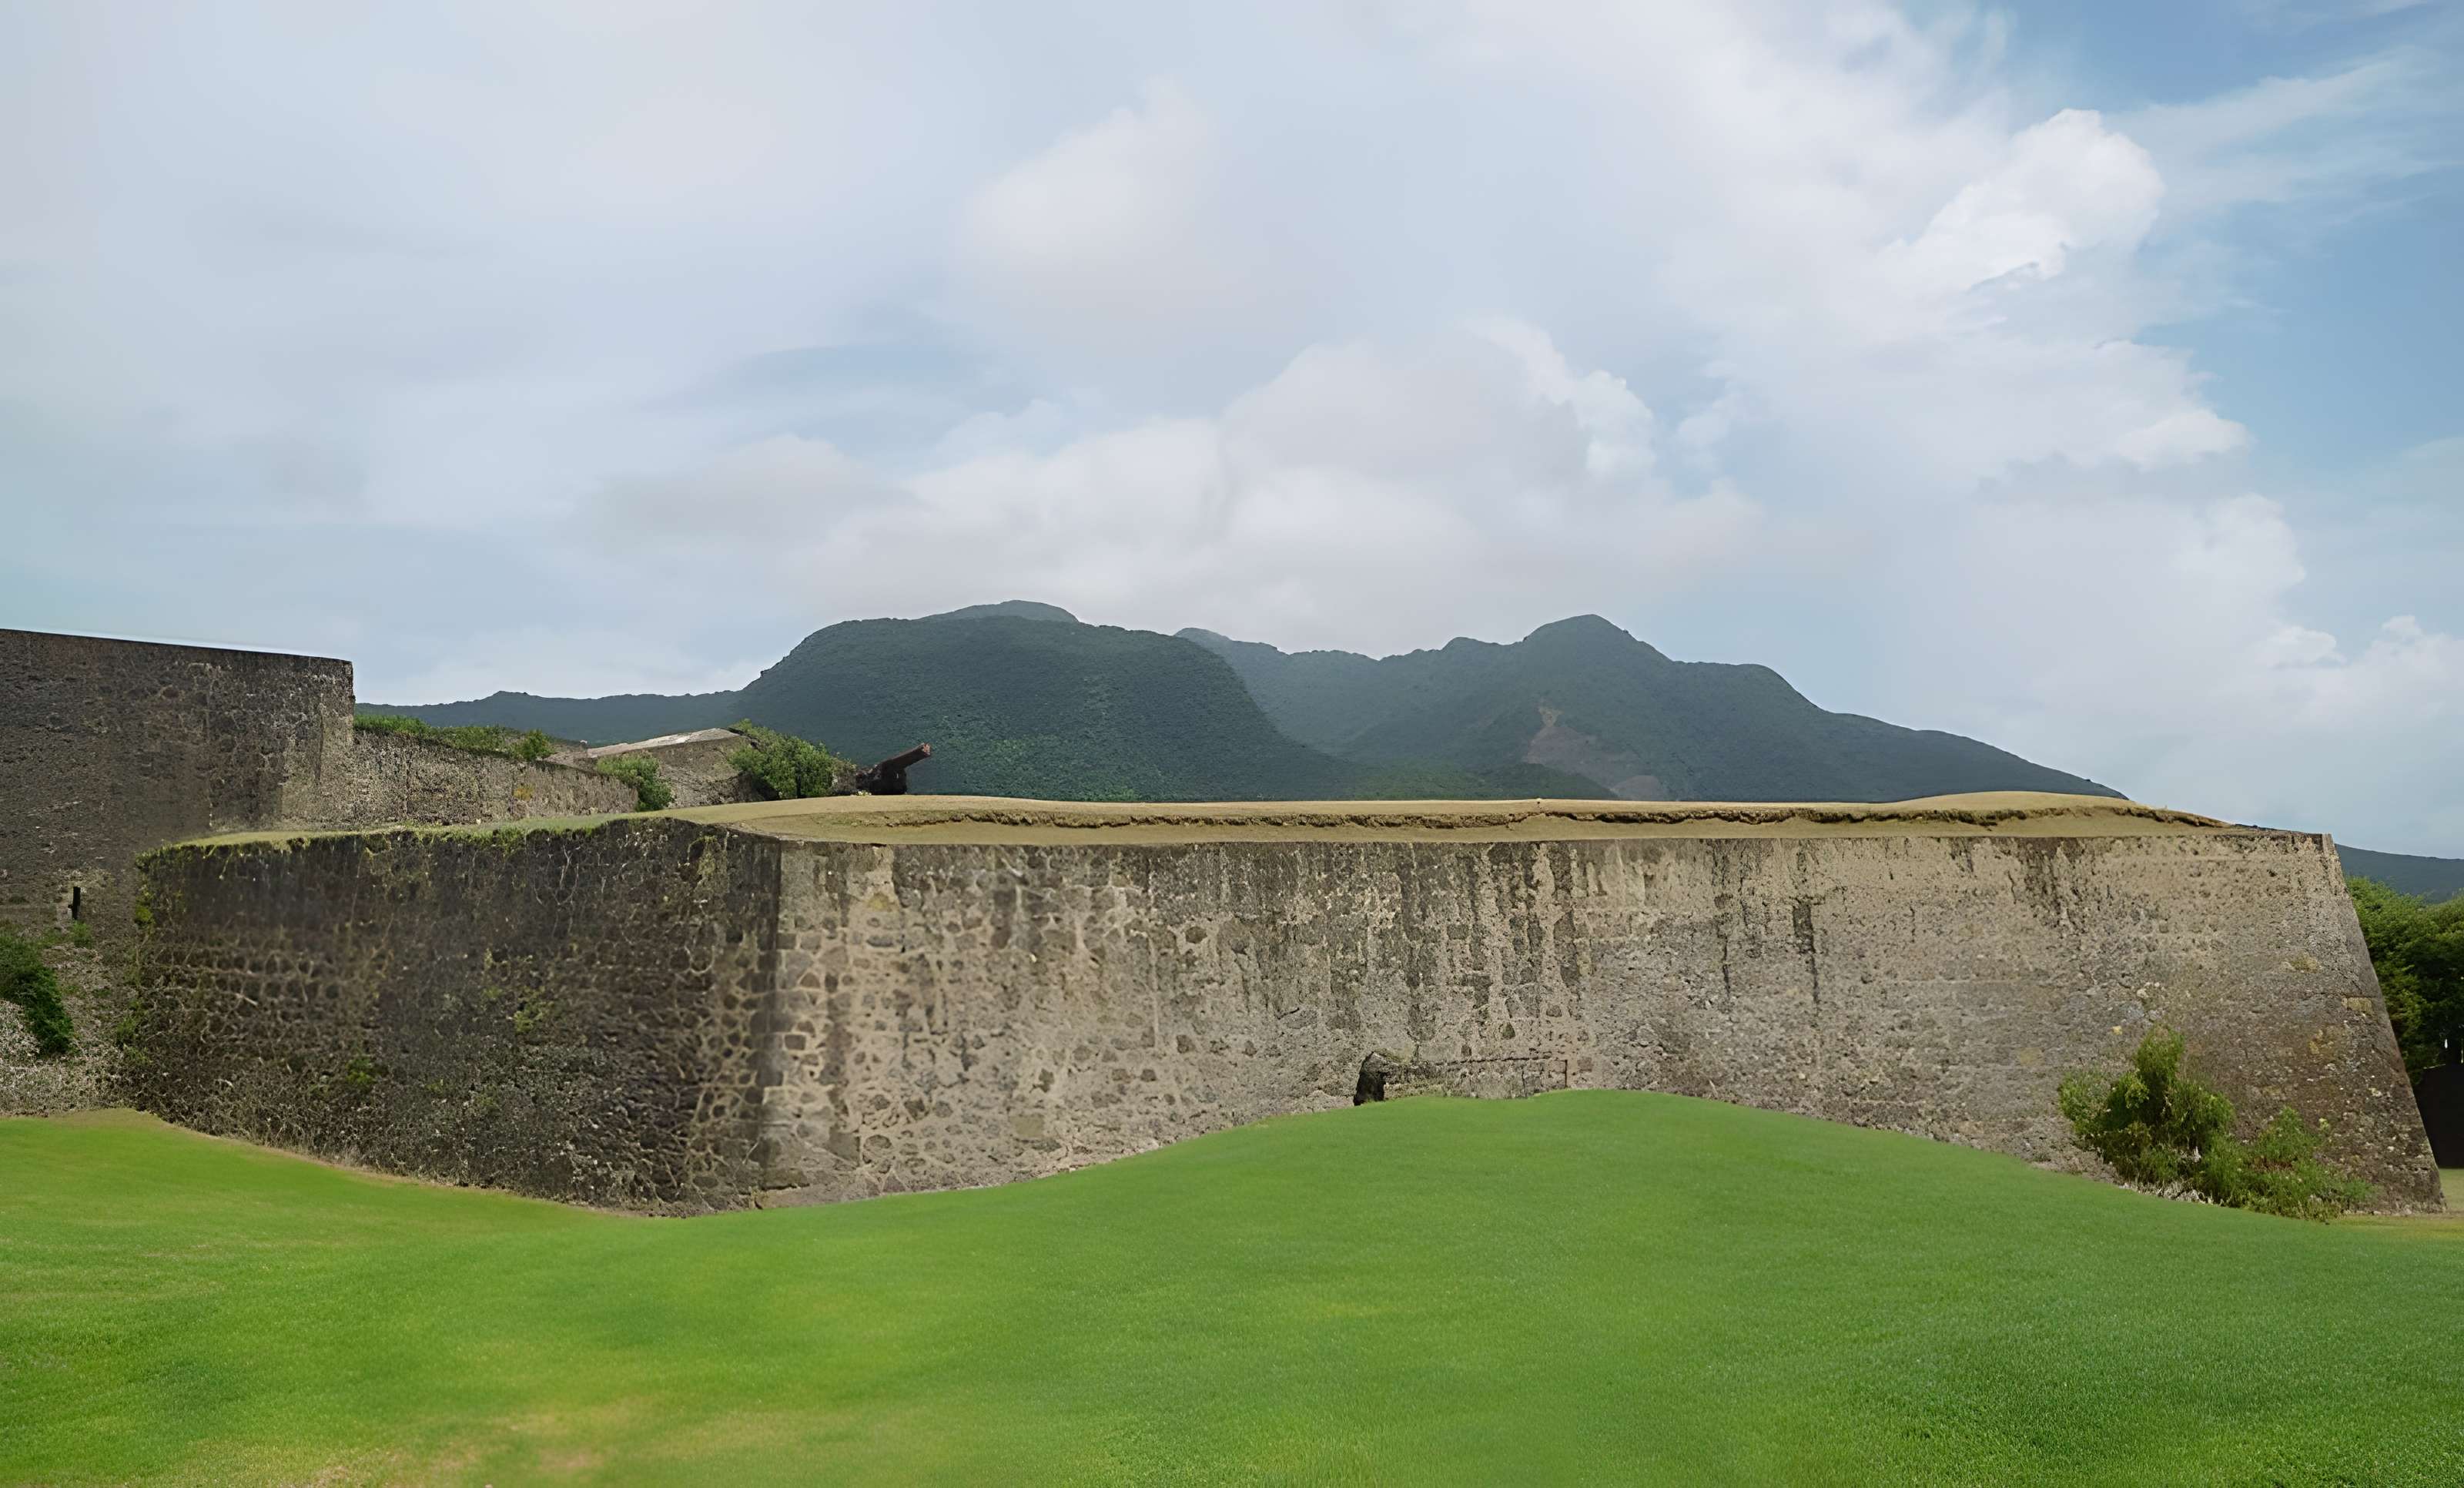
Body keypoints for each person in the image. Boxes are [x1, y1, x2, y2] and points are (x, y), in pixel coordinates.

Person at [854, 742, 932, 795]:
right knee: (888, 764)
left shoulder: (872, 777)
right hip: (886, 786)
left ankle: (919, 752)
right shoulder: (869, 783)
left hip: (889, 783)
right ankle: (919, 752)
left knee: (891, 764)